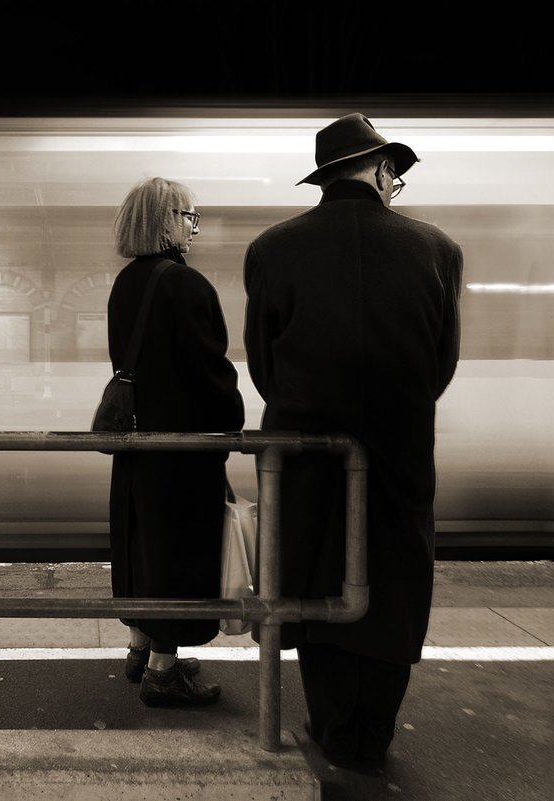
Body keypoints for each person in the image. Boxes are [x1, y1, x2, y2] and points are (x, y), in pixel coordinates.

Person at [243, 113, 463, 771]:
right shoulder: (437, 249)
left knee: (317, 579)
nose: (396, 184)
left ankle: (332, 726)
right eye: (395, 172)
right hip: (398, 451)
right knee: (393, 578)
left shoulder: (272, 248)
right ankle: (374, 730)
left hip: (307, 454)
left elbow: (261, 362)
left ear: (327, 176)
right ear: (377, 169)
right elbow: (440, 366)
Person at [106, 177, 245, 707]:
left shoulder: (126, 283)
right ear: (165, 220)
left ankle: (141, 645)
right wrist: (231, 422)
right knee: (177, 549)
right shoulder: (186, 285)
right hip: (182, 450)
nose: (193, 225)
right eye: (189, 216)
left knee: (140, 541)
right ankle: (165, 672)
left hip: (138, 443)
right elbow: (209, 374)